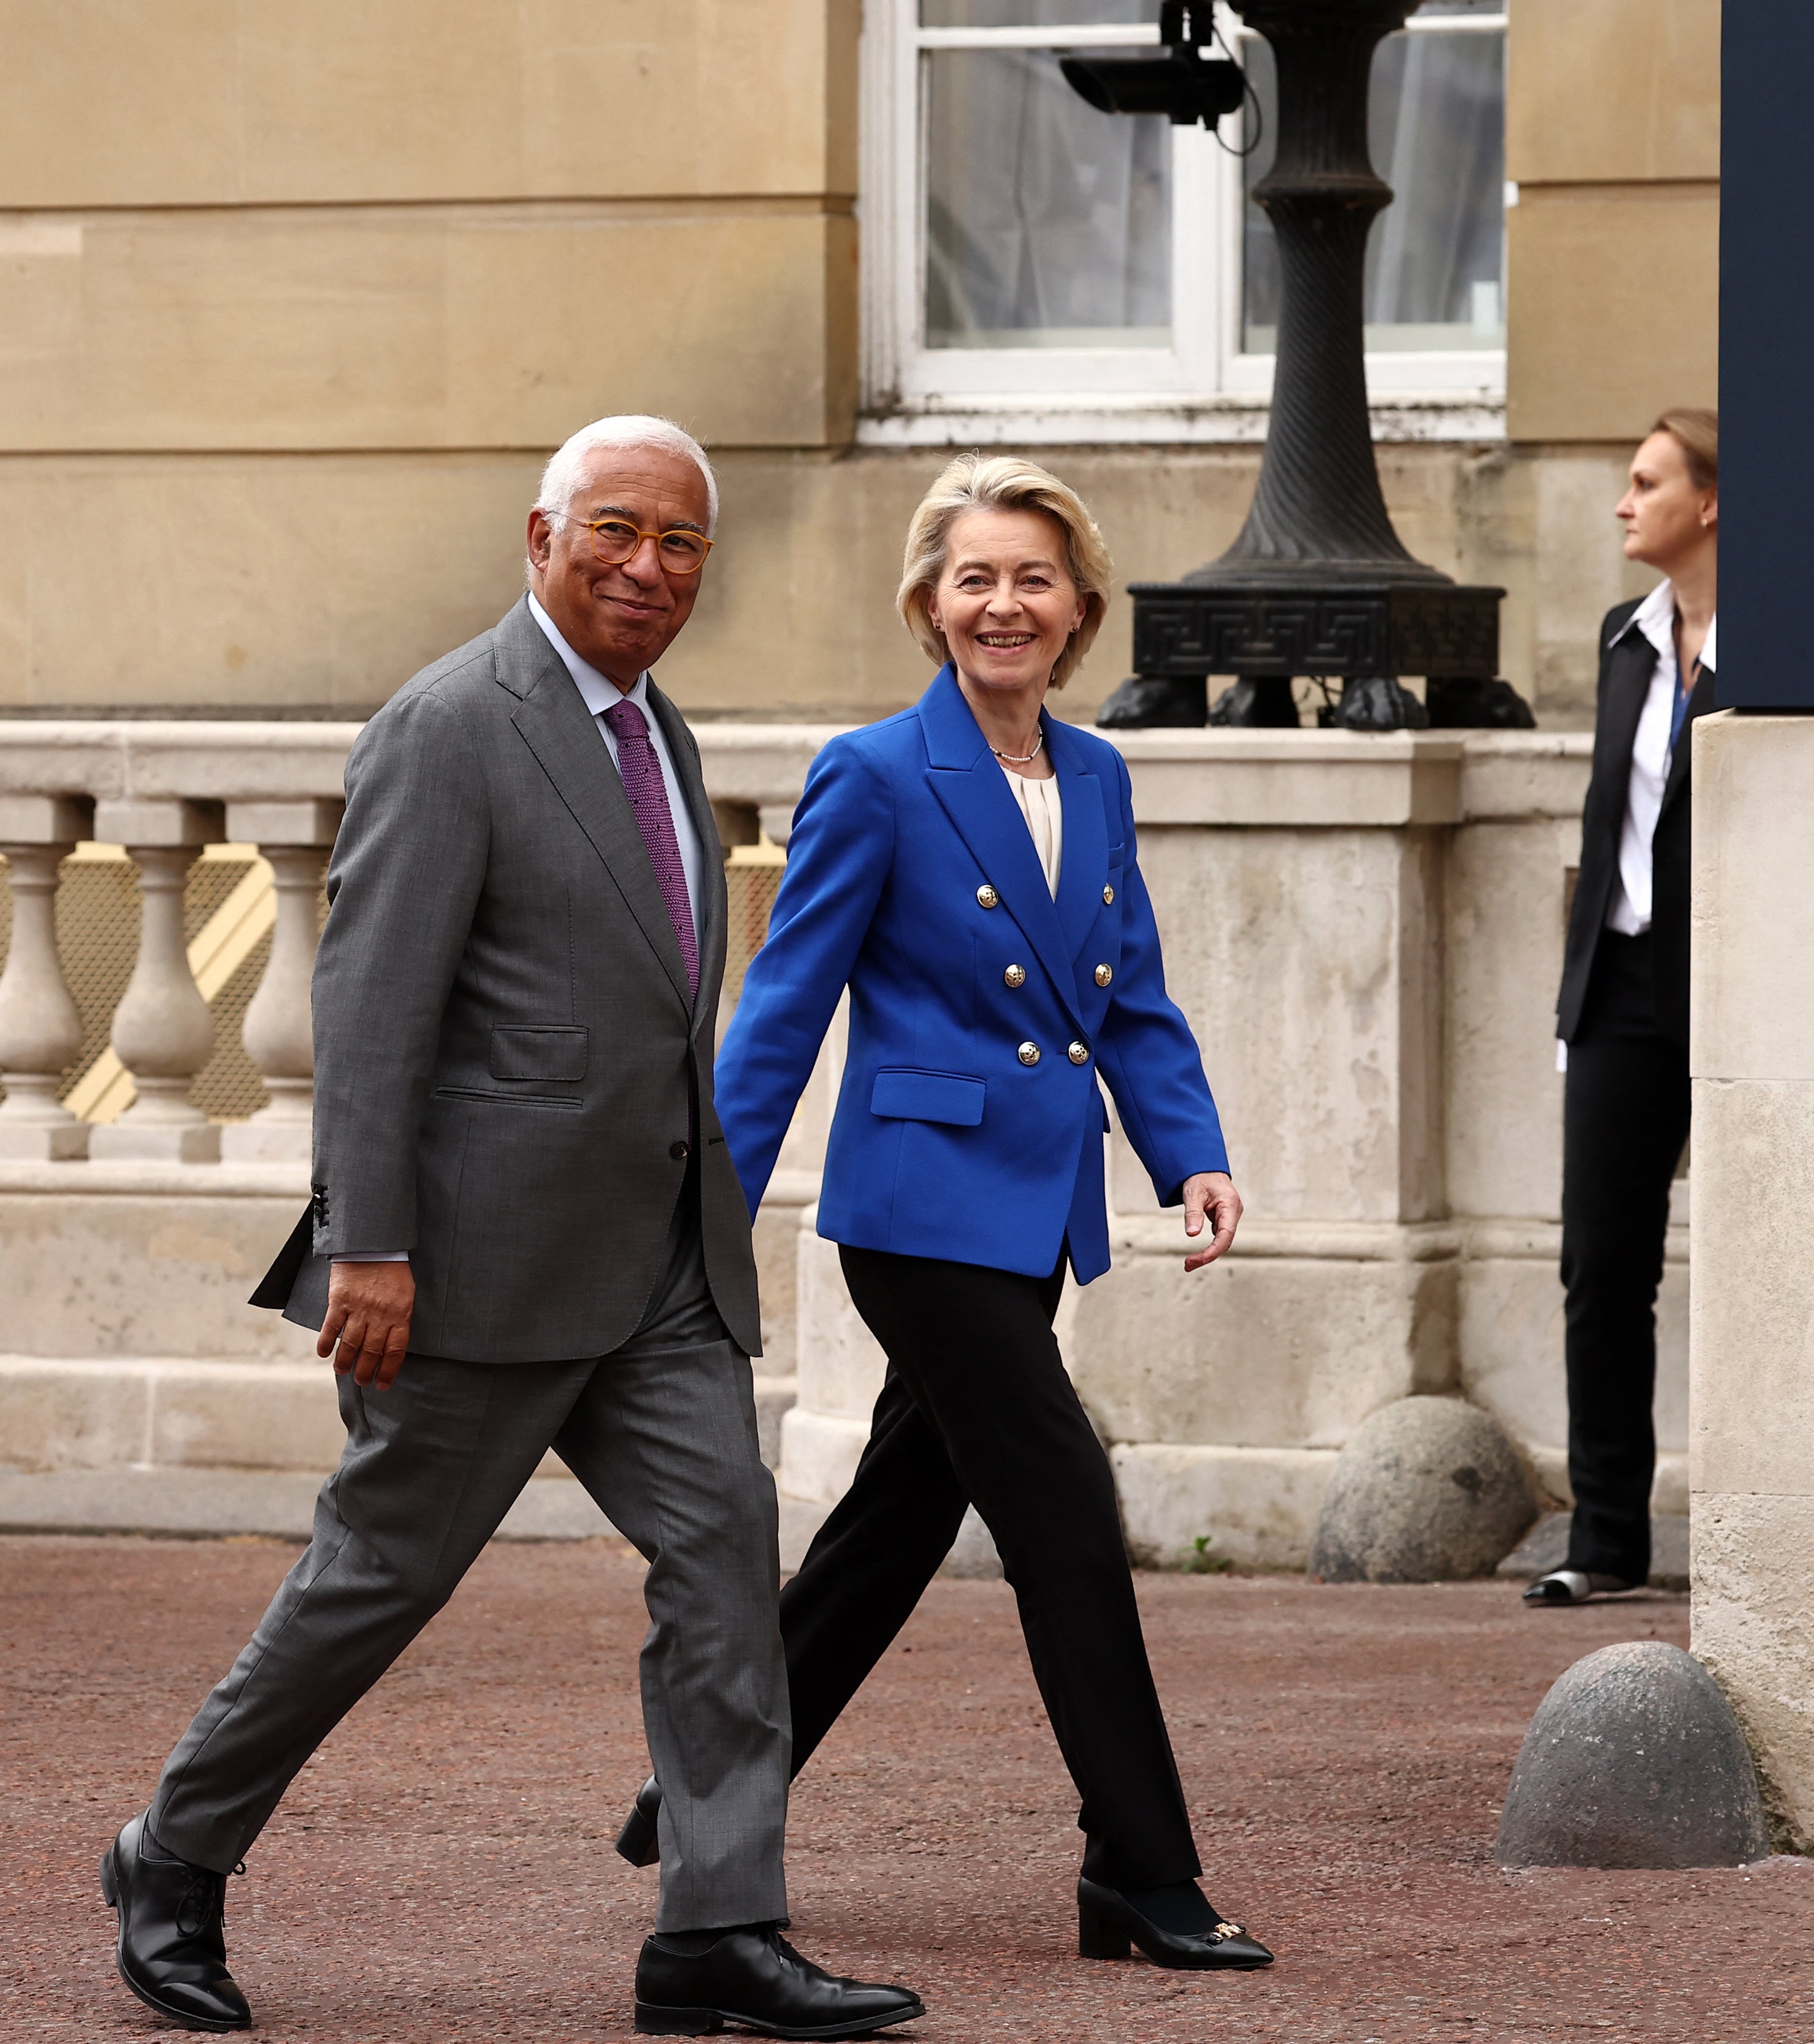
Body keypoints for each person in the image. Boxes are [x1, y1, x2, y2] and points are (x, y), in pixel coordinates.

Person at [99, 416, 924, 2038]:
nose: (648, 565)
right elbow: (372, 1007)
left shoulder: (661, 733)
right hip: (467, 1273)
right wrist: (370, 1244)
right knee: (375, 1582)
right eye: (617, 529)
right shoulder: (451, 724)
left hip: (662, 1270)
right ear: (539, 536)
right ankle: (173, 1853)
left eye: (682, 542)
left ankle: (715, 1925)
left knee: (723, 1561)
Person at [613, 452, 1271, 1972]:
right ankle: (1142, 1870)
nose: (1002, 602)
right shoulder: (874, 770)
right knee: (1061, 1509)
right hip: (915, 1213)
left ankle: (700, 1787)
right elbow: (785, 1001)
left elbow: (1135, 997)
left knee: (895, 1523)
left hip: (1034, 1211)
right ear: (928, 601)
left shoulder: (1097, 774)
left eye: (1032, 577)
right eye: (973, 576)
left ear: (1080, 606)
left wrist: (1190, 1152)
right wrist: (698, 1197)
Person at [1533, 408, 1718, 1608]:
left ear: (1708, 503)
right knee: (1602, 1265)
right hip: (1617, 985)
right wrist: (1572, 1000)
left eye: (1645, 481)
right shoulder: (1623, 638)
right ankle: (1605, 1538)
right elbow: (1613, 827)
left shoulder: (1790, 637)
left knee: (1758, 1262)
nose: (1620, 502)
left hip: (1735, 986)